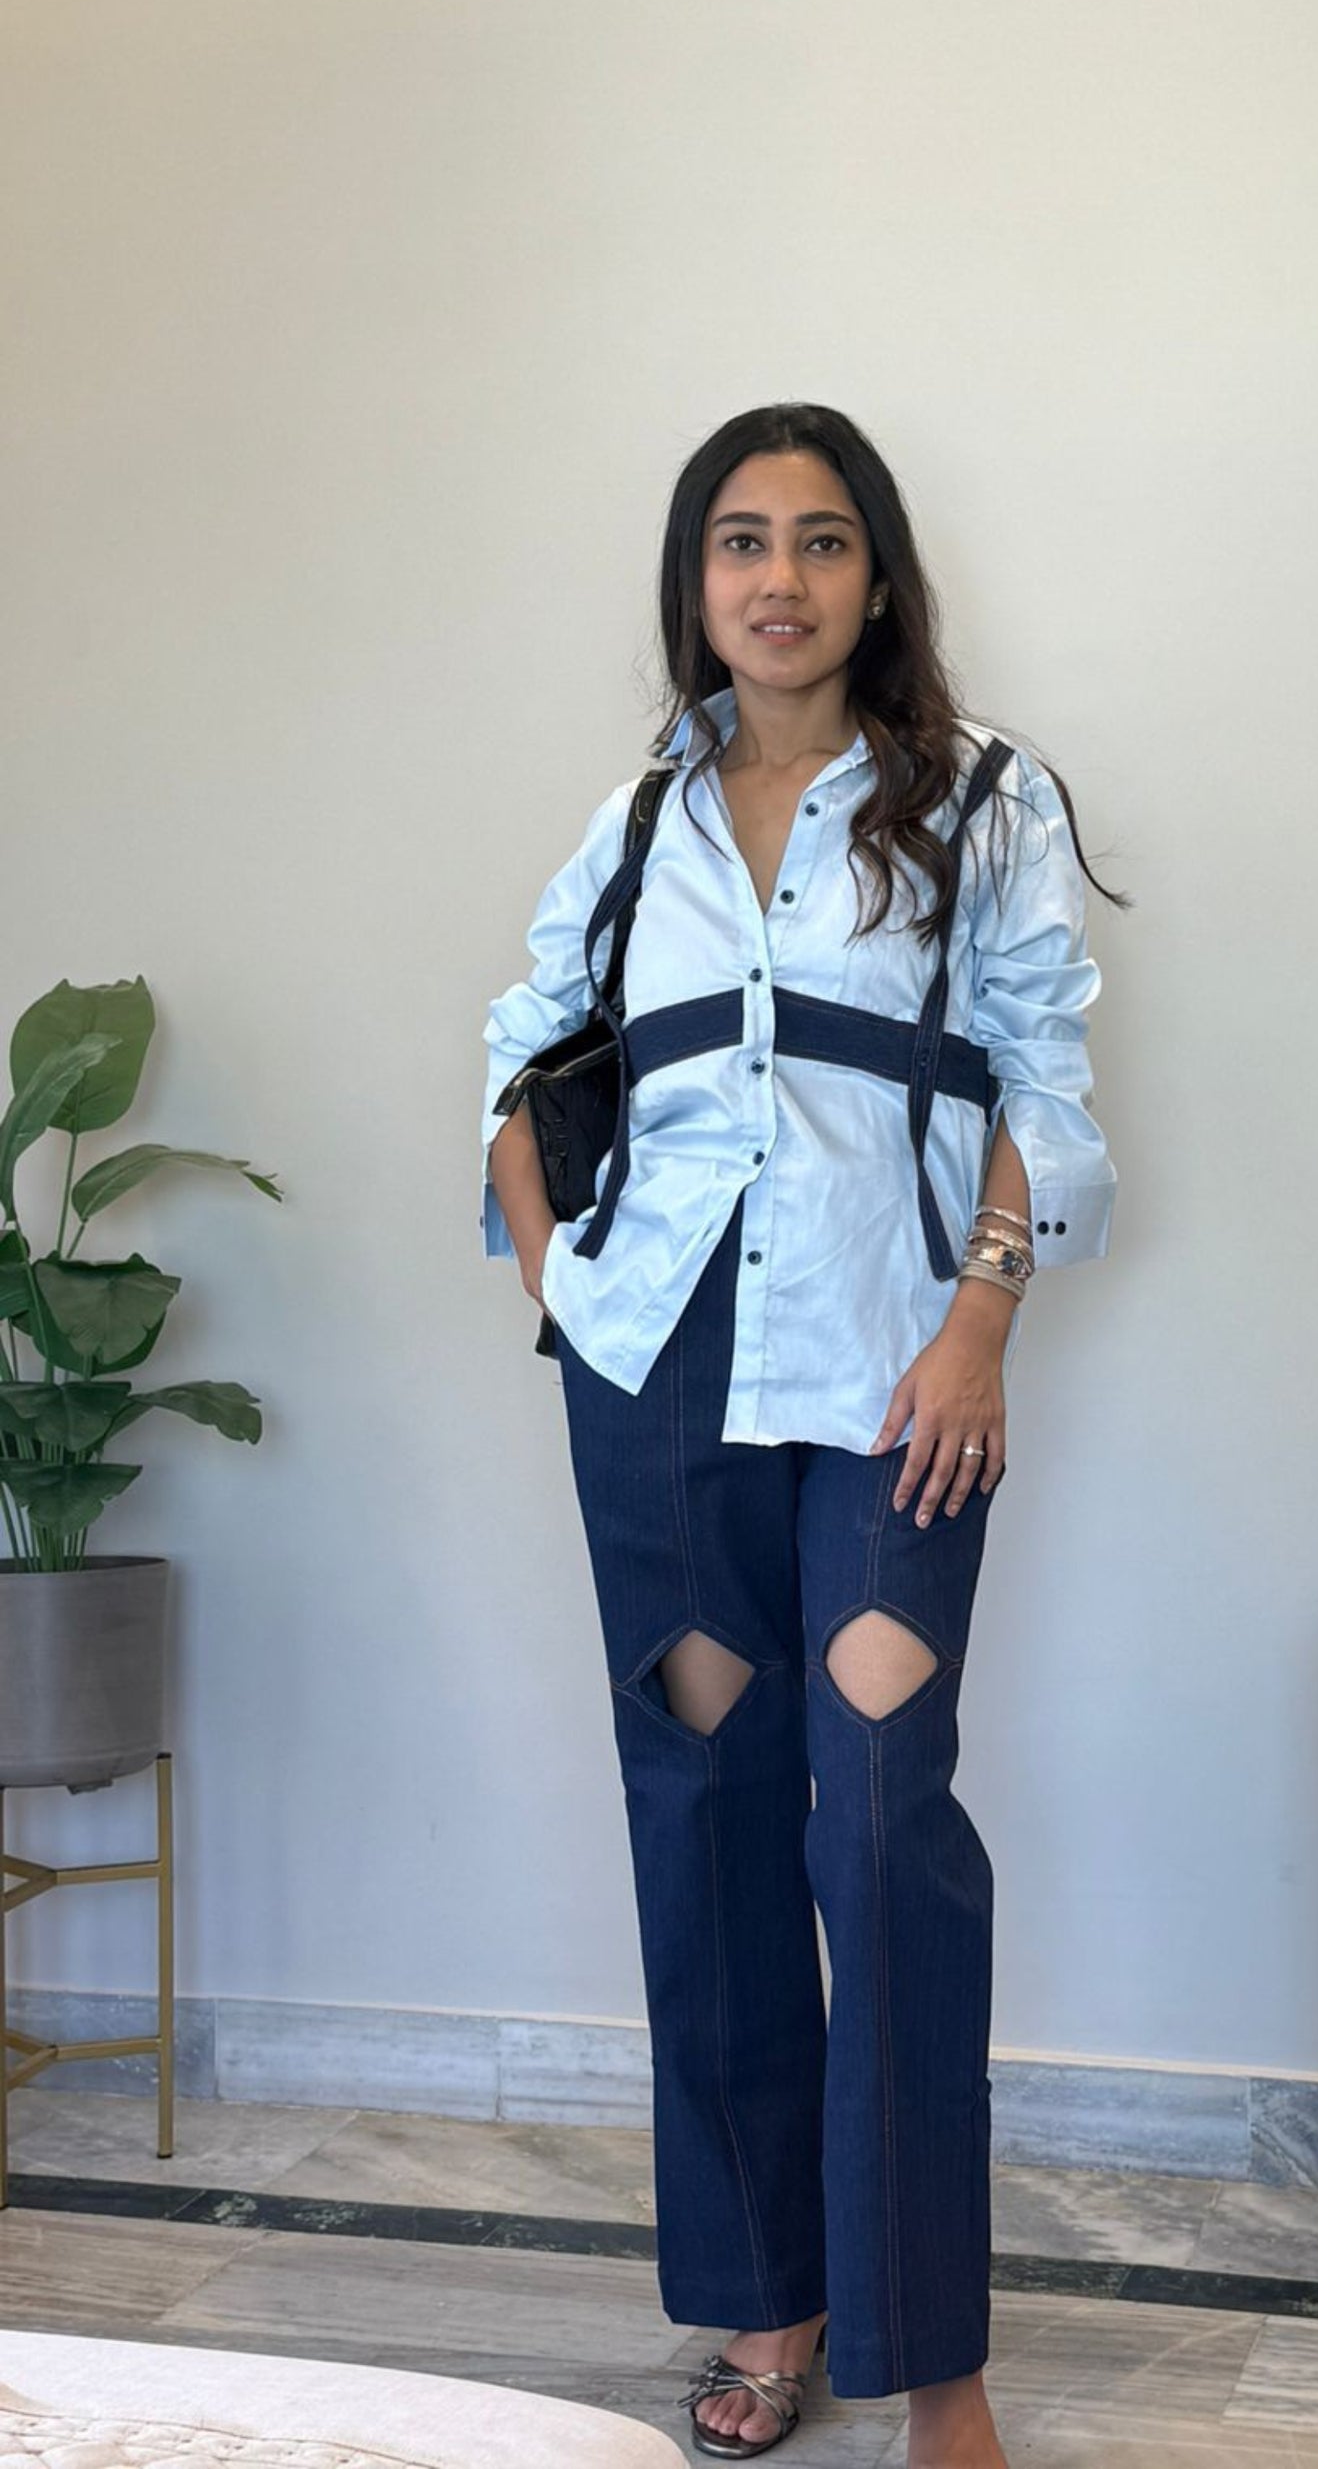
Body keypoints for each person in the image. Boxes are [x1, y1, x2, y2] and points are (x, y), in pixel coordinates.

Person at [480, 404, 1123, 2464]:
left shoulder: (983, 800)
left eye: (821, 539)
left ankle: (936, 2360)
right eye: (741, 541)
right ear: (696, 582)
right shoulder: (638, 818)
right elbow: (521, 1063)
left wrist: (981, 1324)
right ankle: (771, 2298)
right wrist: (562, 1288)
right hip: (658, 1381)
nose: (780, 579)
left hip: (892, 1382)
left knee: (876, 1825)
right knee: (708, 1824)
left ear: (876, 575)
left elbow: (1047, 1085)